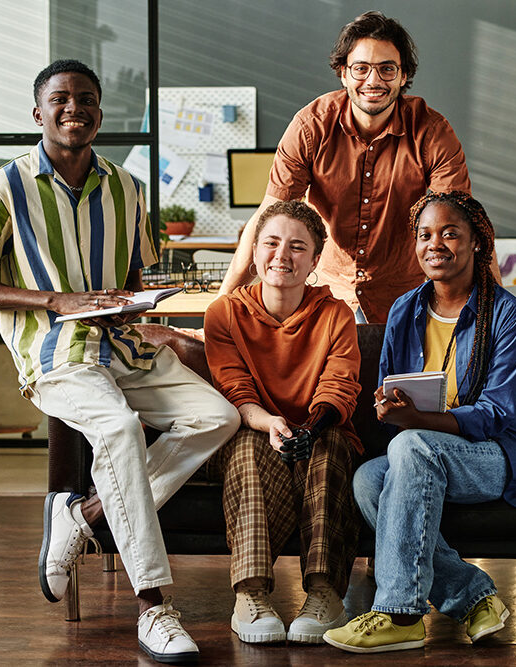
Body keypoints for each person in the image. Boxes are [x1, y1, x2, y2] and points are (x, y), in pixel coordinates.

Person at [0, 60, 240, 664]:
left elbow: (130, 277)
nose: (75, 108)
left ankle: (82, 516)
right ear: (38, 112)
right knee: (121, 429)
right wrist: (52, 299)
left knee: (218, 417)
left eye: (87, 99)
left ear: (101, 111)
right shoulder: (6, 187)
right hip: (55, 356)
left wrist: (137, 304)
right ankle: (154, 606)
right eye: (61, 99)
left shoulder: (127, 188)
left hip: (120, 347)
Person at [323, 190, 516, 653]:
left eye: (450, 233)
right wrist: (389, 408)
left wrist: (418, 420)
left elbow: (495, 415)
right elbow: (390, 390)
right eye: (425, 235)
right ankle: (472, 597)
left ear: (476, 244)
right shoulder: (406, 309)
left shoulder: (506, 315)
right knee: (368, 478)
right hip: (425, 452)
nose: (435, 244)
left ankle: (401, 612)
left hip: (495, 456)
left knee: (408, 447)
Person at [219, 11, 503, 323]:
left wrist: (496, 319)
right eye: (361, 69)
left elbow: (462, 223)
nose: (373, 81)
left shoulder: (431, 131)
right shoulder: (311, 126)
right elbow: (269, 218)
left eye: (386, 69)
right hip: (327, 296)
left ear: (404, 75)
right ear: (342, 72)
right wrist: (219, 311)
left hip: (405, 299)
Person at [204, 200, 362, 644]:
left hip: (319, 426)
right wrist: (268, 422)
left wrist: (308, 429)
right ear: (253, 252)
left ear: (314, 261)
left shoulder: (335, 314)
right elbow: (235, 389)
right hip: (256, 428)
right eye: (271, 243)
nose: (282, 256)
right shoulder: (224, 314)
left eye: (297, 247)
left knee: (330, 450)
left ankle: (324, 593)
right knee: (246, 451)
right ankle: (250, 595)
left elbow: (340, 385)